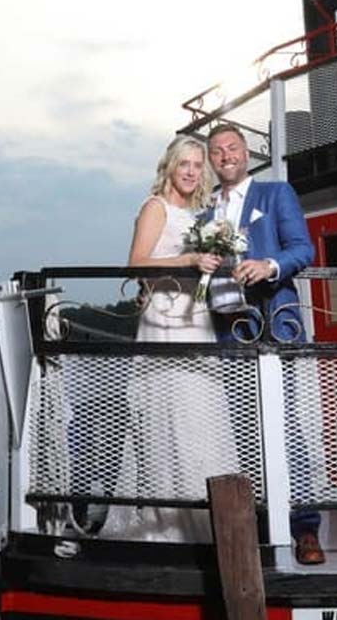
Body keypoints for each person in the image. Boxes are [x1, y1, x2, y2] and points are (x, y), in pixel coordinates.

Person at [99, 136, 239, 543]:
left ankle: (210, 519)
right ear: (170, 167)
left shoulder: (199, 214)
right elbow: (135, 264)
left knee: (200, 414)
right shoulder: (155, 207)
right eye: (185, 164)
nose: (192, 171)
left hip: (196, 318)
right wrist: (189, 260)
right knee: (169, 413)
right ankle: (170, 523)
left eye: (198, 165)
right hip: (165, 318)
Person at [206, 123, 326, 565]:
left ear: (246, 152)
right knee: (242, 429)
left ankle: (305, 527)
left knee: (284, 424)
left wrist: (269, 265)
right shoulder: (206, 211)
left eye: (232, 147)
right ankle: (261, 523)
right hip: (229, 330)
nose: (226, 156)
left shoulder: (275, 194)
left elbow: (303, 250)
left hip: (275, 324)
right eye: (217, 151)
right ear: (212, 160)